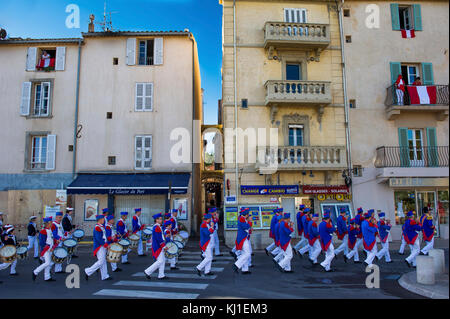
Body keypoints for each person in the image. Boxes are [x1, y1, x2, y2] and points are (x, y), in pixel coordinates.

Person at [84, 215, 112, 281]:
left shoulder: (101, 227)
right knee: (101, 261)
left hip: (102, 246)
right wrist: (106, 245)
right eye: (103, 219)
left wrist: (107, 244)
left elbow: (103, 237)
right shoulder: (97, 227)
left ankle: (105, 276)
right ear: (100, 220)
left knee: (103, 261)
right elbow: (99, 239)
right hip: (99, 246)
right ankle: (88, 271)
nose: (104, 220)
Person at [144, 213, 168, 280]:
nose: (161, 220)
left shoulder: (158, 226)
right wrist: (163, 246)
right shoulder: (157, 227)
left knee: (162, 260)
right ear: (156, 220)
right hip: (158, 246)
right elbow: (159, 238)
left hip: (159, 245)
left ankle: (161, 275)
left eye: (161, 219)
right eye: (160, 219)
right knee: (160, 261)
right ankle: (147, 271)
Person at [32, 217, 55, 282]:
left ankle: (47, 277)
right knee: (47, 263)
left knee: (49, 263)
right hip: (46, 250)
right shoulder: (43, 231)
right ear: (47, 223)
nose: (52, 223)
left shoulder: (49, 230)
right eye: (51, 222)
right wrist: (48, 248)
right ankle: (35, 272)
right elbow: (42, 242)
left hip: (49, 249)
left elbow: (50, 239)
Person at [232, 209, 252, 274]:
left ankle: (245, 269)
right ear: (246, 215)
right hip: (242, 238)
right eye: (248, 214)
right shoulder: (242, 219)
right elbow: (246, 227)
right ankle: (236, 265)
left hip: (244, 237)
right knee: (248, 253)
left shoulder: (242, 218)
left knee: (244, 253)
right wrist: (250, 221)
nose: (249, 215)